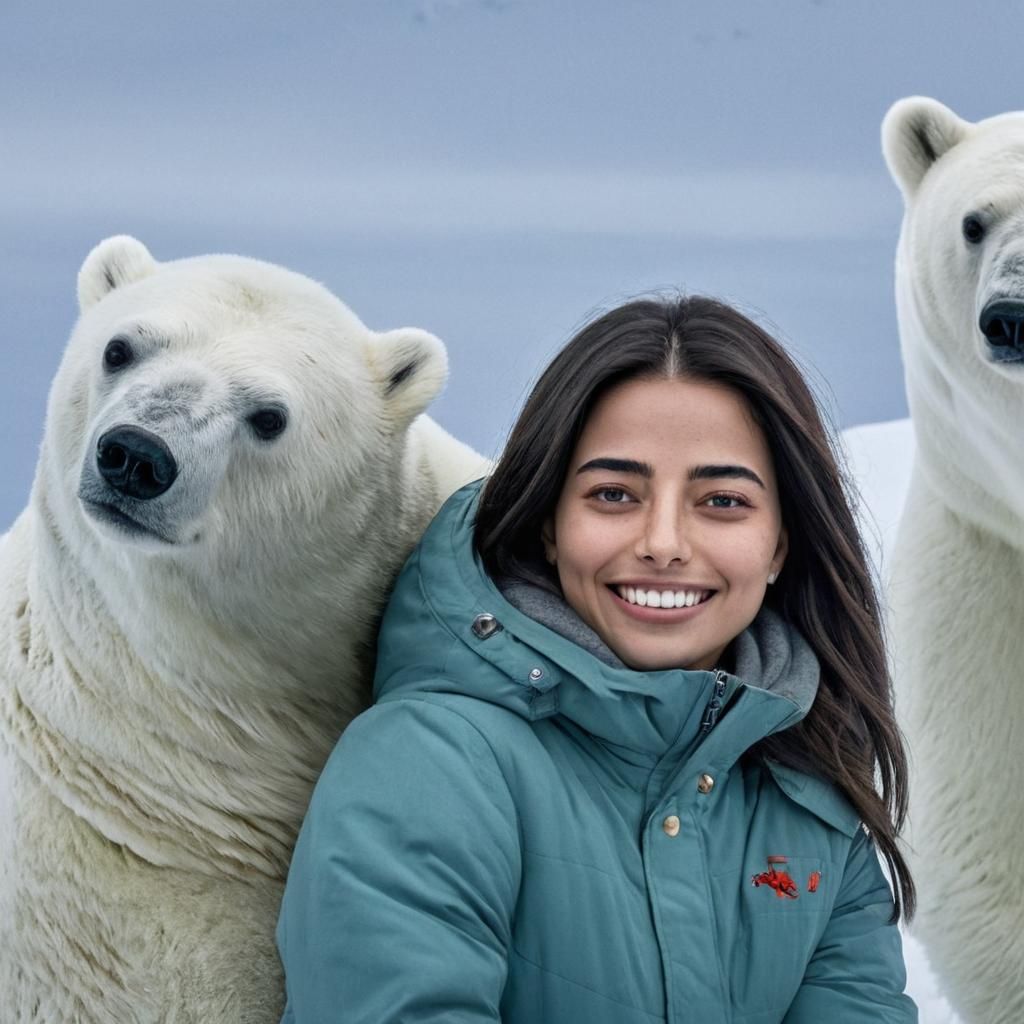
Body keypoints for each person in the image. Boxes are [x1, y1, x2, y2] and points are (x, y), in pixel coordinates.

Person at [276, 295, 917, 1022]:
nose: (664, 542)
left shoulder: (810, 815)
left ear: (780, 544)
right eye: (614, 494)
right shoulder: (428, 764)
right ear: (550, 525)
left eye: (723, 501)